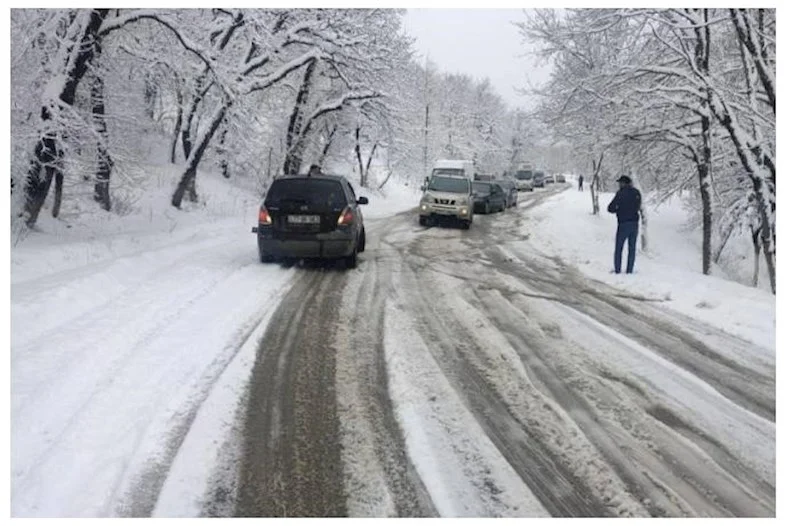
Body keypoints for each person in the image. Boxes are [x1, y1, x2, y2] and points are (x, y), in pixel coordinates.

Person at [607, 175, 642, 274]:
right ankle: (629, 270)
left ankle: (618, 270)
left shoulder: (620, 193)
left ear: (624, 183)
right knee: (632, 248)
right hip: (634, 224)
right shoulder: (637, 193)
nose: (619, 185)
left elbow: (610, 208)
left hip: (623, 224)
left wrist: (619, 210)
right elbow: (638, 206)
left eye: (620, 183)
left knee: (619, 248)